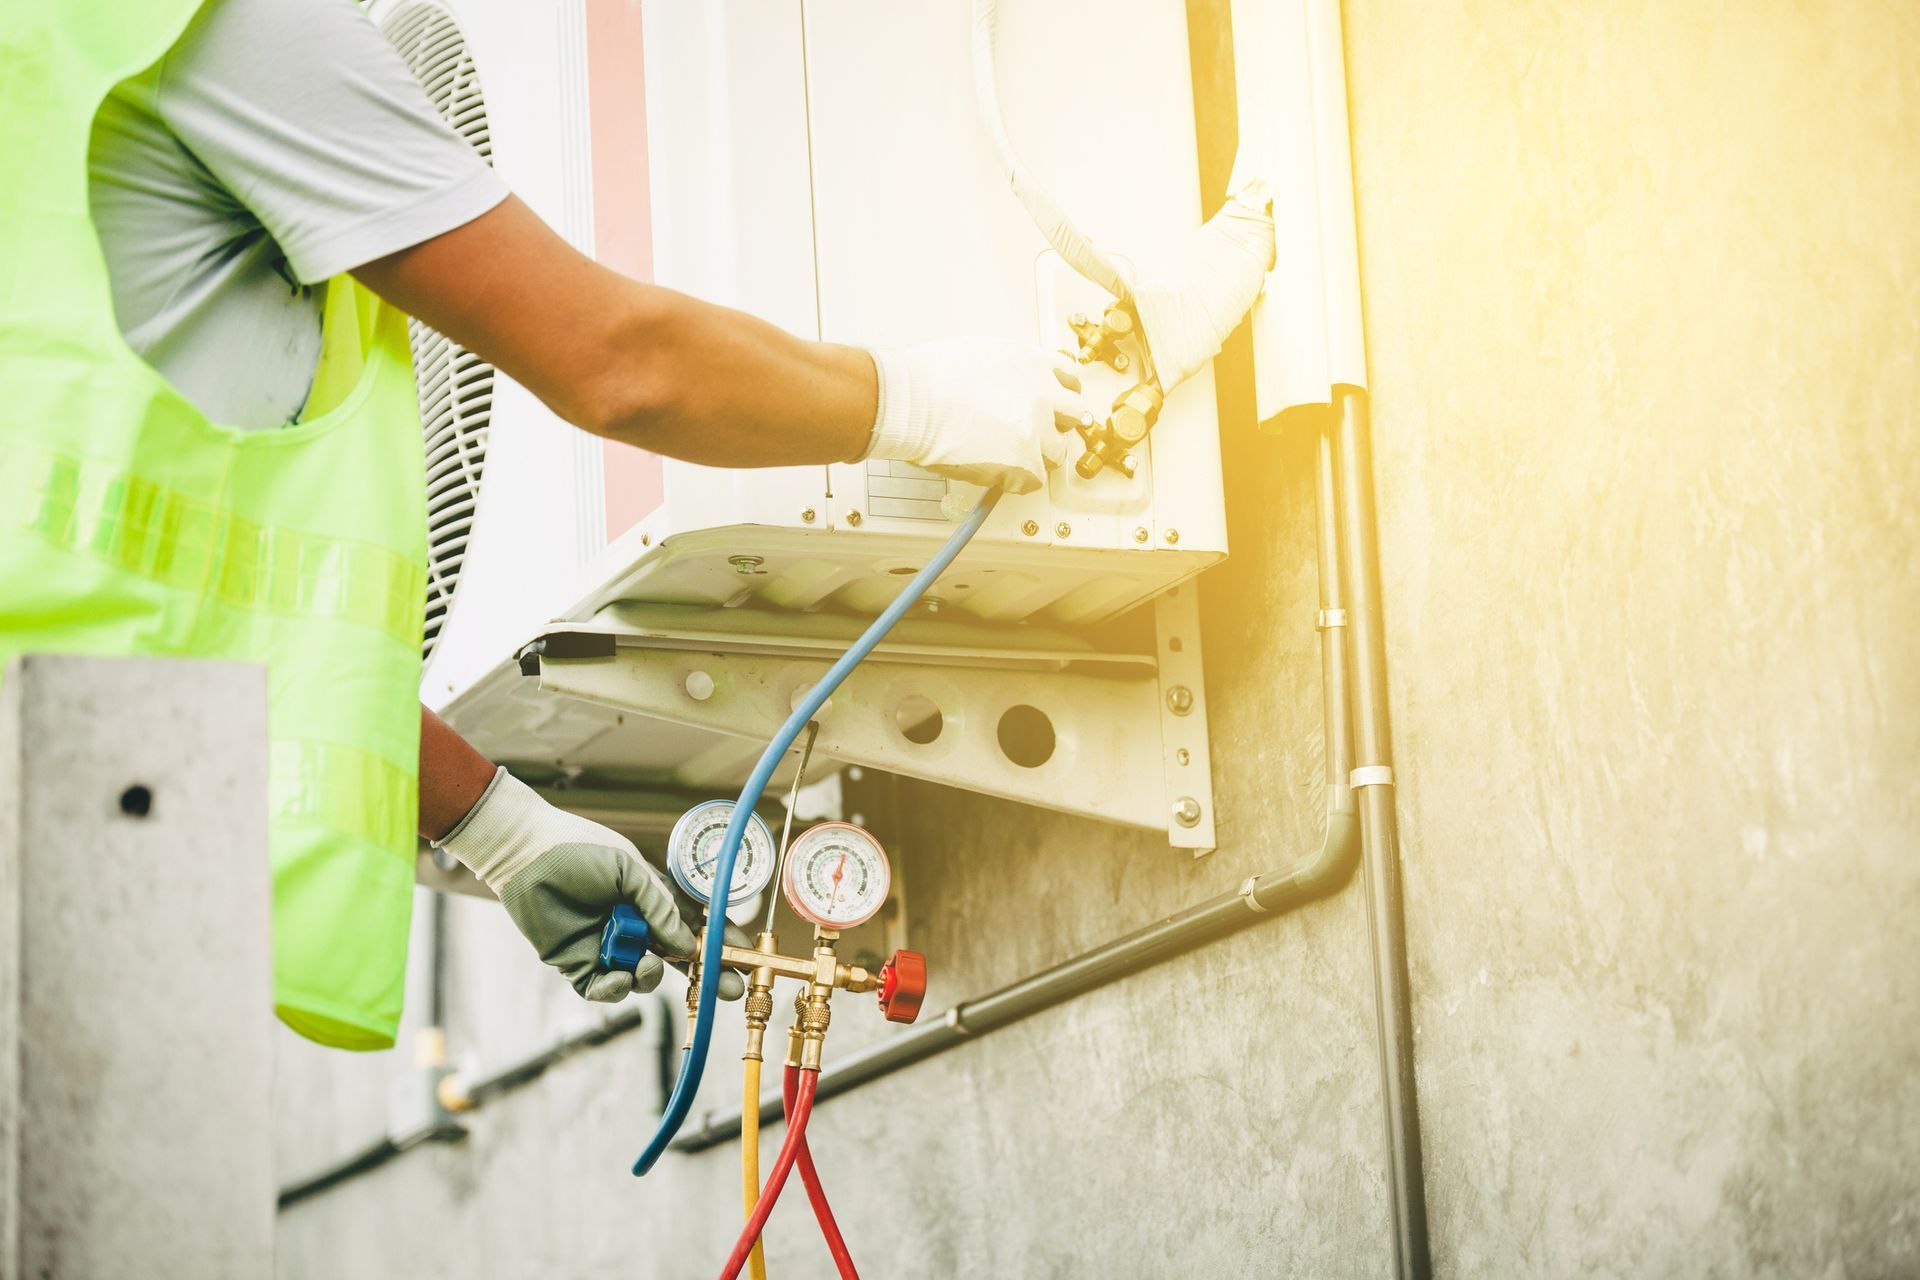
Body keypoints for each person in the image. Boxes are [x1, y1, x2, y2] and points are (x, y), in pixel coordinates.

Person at [4, 0, 1269, 1050]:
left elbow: (142, 606)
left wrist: (491, 825)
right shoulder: (180, 26)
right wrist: (921, 398)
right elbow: (617, 360)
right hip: (99, 906)